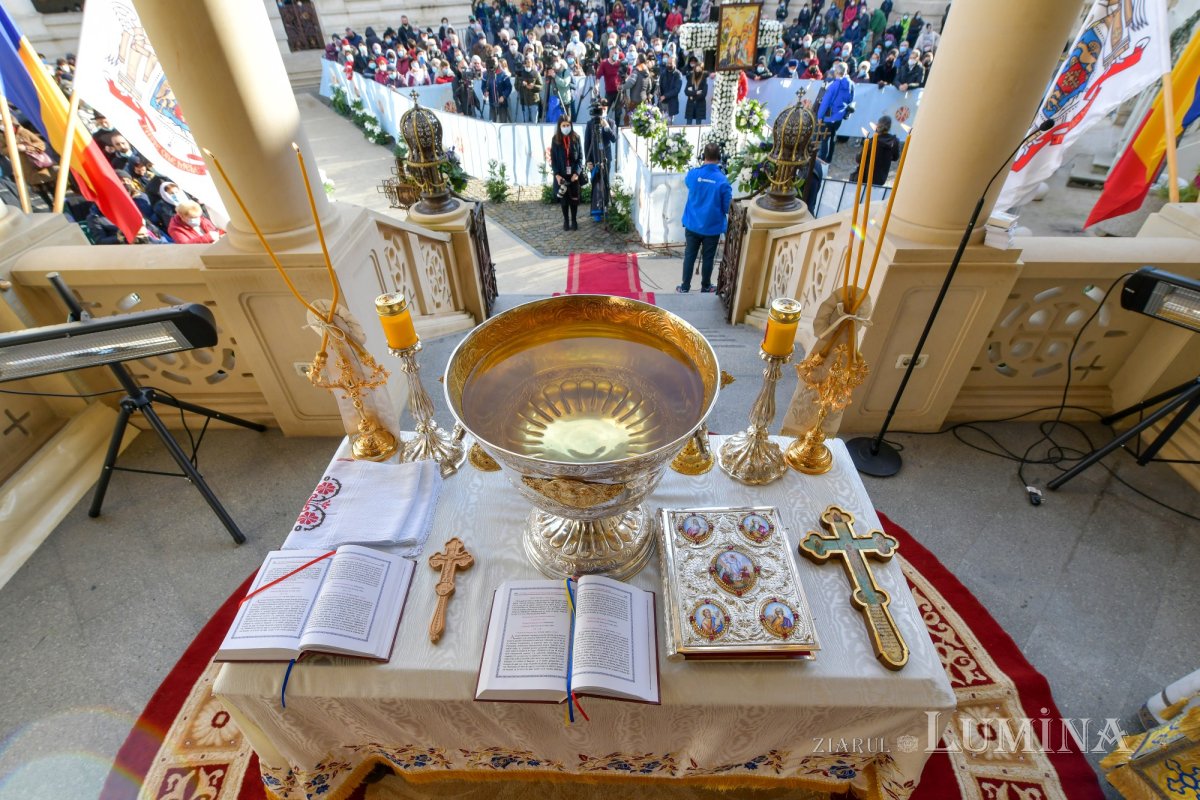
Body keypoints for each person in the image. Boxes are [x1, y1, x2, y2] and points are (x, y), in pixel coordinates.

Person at [677, 143, 731, 294]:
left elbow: (688, 183)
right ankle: (705, 286)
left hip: (693, 224)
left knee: (689, 255)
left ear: (703, 156)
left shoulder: (693, 174)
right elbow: (727, 207)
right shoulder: (722, 181)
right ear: (719, 158)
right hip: (711, 228)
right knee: (708, 258)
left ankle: (685, 286)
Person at [584, 97, 616, 221]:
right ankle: (596, 209)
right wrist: (588, 161)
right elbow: (587, 142)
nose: (602, 110)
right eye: (600, 108)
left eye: (604, 107)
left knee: (606, 182)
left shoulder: (611, 122)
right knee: (596, 183)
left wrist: (606, 127)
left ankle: (606, 207)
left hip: (606, 157)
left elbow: (614, 139)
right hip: (594, 156)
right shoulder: (590, 123)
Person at [550, 117, 584, 230]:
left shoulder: (576, 138)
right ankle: (566, 220)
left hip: (573, 175)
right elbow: (553, 159)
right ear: (560, 126)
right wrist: (557, 175)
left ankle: (574, 220)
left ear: (571, 125)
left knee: (574, 199)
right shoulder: (555, 140)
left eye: (567, 125)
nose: (566, 128)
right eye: (563, 126)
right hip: (562, 175)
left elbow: (580, 158)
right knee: (564, 200)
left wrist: (577, 173)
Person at [816, 62, 853, 163]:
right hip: (839, 116)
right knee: (832, 137)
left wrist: (819, 116)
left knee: (825, 139)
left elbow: (825, 102)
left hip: (829, 116)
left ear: (836, 72)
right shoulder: (850, 84)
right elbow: (850, 99)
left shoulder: (834, 85)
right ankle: (829, 159)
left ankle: (822, 160)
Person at [857, 114, 900, 186]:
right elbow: (895, 157)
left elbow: (859, 159)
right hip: (881, 177)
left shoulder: (873, 140)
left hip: (866, 176)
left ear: (878, 125)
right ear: (889, 127)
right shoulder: (894, 141)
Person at [517, 56, 543, 122]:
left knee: (534, 122)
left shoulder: (536, 73)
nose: (528, 64)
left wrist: (533, 86)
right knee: (526, 121)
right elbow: (516, 86)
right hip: (524, 100)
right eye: (526, 62)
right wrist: (522, 84)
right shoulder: (520, 74)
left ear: (532, 63)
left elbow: (541, 86)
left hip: (534, 101)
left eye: (529, 62)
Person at [657, 55, 682, 123]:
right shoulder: (663, 73)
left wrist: (665, 96)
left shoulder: (678, 74)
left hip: (671, 103)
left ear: (675, 64)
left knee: (669, 124)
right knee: (660, 123)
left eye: (671, 63)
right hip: (662, 102)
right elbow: (660, 85)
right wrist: (658, 92)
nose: (669, 65)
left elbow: (677, 90)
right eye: (668, 63)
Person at [683, 57, 707, 124]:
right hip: (690, 104)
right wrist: (696, 92)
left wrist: (692, 96)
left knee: (698, 124)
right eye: (696, 68)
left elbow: (703, 94)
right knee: (688, 123)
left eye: (699, 69)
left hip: (700, 104)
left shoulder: (704, 80)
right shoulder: (691, 79)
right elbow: (686, 91)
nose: (697, 70)